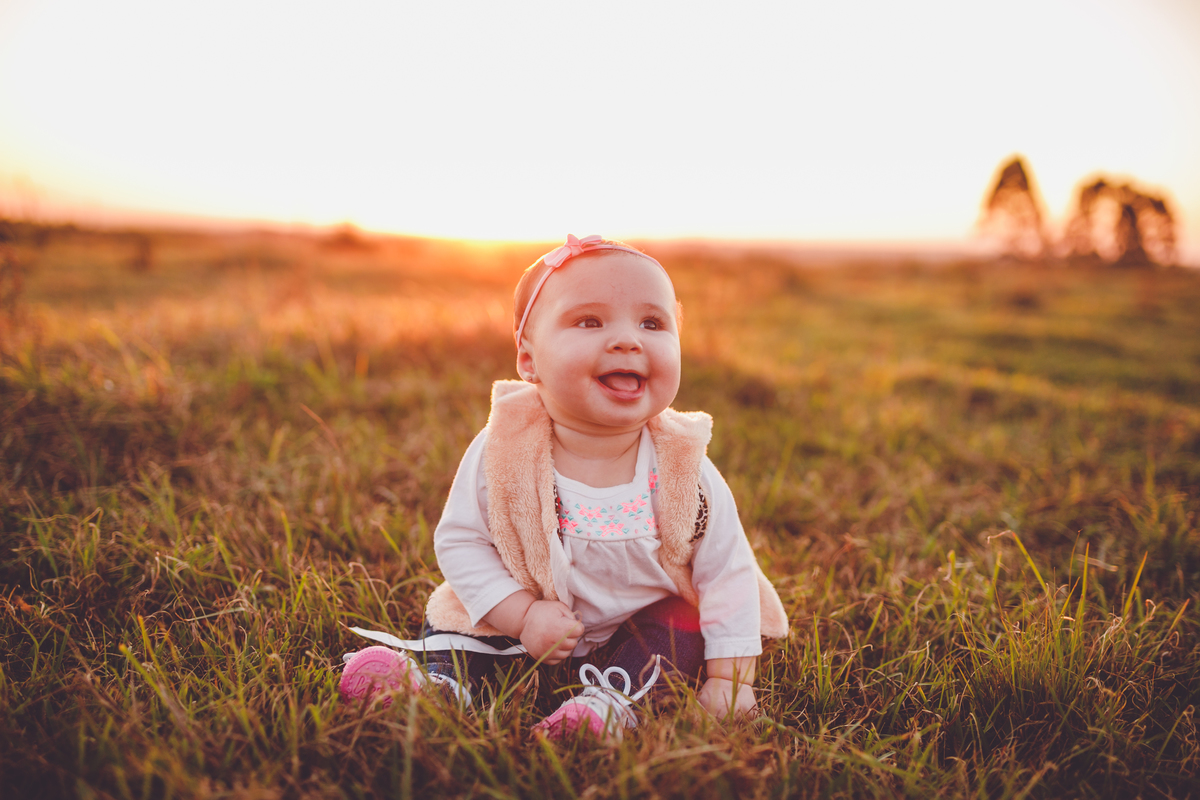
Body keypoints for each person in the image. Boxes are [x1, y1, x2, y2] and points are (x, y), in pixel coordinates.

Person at [340, 235, 789, 741]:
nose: (627, 340)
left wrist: (731, 680)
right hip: (523, 625)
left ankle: (606, 708)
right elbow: (461, 541)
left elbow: (728, 573)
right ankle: (438, 684)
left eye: (652, 323)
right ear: (528, 359)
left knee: (681, 630)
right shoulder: (505, 450)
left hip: (636, 631)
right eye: (589, 321)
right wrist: (523, 614)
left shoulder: (685, 468)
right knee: (469, 634)